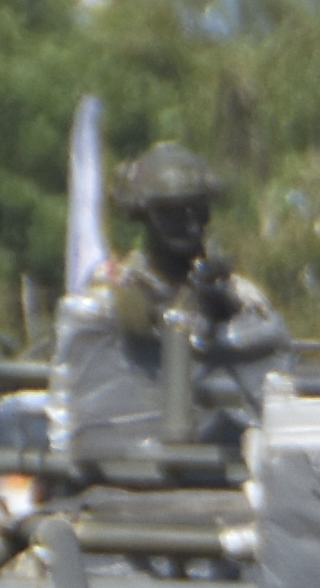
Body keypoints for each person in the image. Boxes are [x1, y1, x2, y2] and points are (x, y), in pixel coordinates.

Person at [79, 139, 285, 450]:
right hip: (128, 452)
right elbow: (105, 353)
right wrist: (178, 308)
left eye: (198, 209)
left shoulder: (239, 293)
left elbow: (270, 363)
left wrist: (222, 309)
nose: (190, 223)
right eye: (172, 211)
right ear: (144, 213)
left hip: (226, 455)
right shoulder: (114, 290)